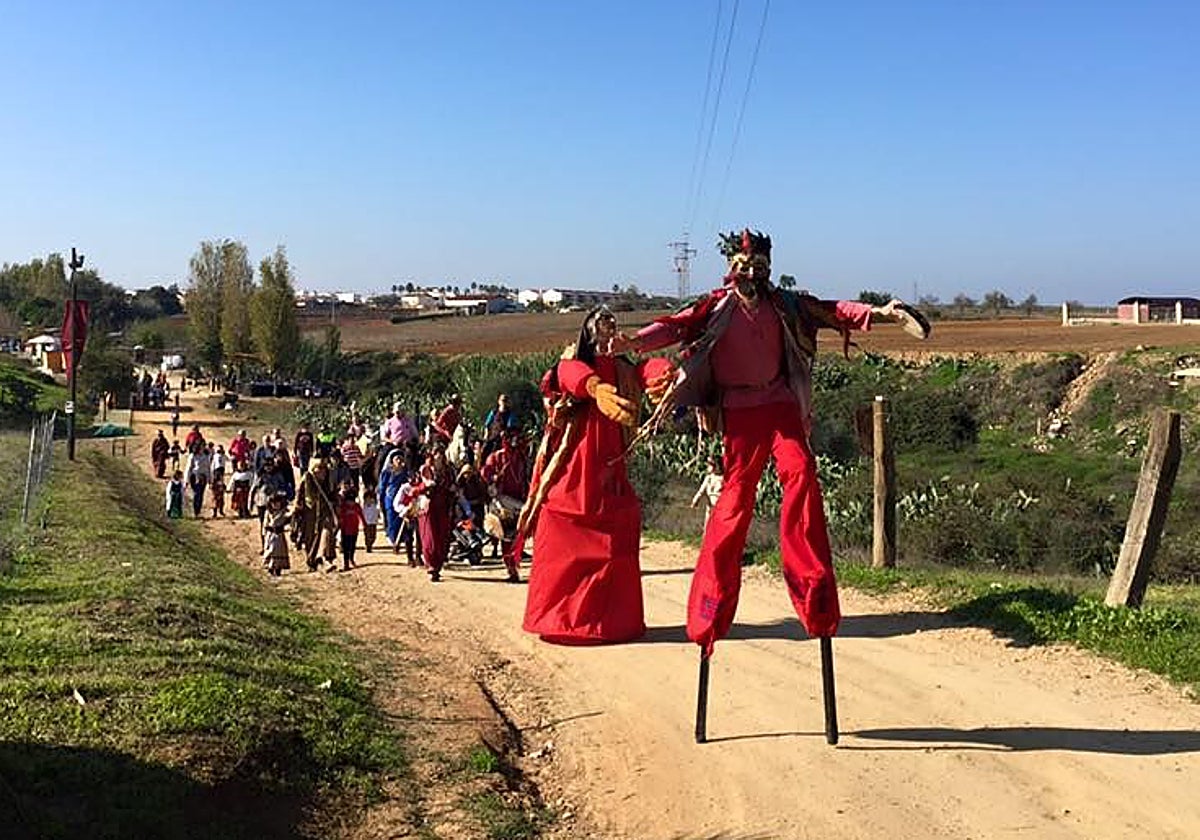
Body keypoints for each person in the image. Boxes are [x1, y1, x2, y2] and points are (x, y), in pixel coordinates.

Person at [624, 227, 930, 658]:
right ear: (732, 268)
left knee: (803, 477)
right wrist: (633, 341)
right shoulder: (714, 306)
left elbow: (833, 311)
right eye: (744, 265)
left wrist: (882, 312)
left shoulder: (786, 304)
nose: (752, 272)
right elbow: (674, 327)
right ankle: (711, 607)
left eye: (759, 266)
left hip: (781, 405)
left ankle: (813, 590)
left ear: (769, 268)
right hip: (739, 414)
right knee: (734, 504)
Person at [519, 307, 672, 642]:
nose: (608, 327)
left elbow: (644, 371)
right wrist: (594, 387)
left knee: (617, 536)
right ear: (589, 328)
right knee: (563, 523)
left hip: (610, 467)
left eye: (612, 323)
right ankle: (562, 620)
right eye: (602, 322)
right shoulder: (574, 359)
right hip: (576, 463)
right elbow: (565, 374)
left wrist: (663, 373)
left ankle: (612, 621)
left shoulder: (621, 366)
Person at [481, 427, 530, 581]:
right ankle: (511, 569)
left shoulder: (522, 458)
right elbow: (485, 471)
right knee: (506, 537)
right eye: (512, 438)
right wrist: (494, 477)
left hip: (518, 501)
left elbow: (524, 478)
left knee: (517, 537)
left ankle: (514, 567)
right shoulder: (497, 457)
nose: (515, 441)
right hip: (503, 501)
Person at [414, 447, 455, 582]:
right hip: (428, 508)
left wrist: (453, 490)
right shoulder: (425, 470)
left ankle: (438, 565)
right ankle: (431, 565)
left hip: (443, 507)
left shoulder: (448, 471)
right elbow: (416, 487)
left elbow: (453, 486)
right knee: (429, 537)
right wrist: (425, 486)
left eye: (442, 454)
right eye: (437, 454)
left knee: (442, 537)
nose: (439, 457)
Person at [336, 481, 366, 571]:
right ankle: (346, 563)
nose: (351, 503)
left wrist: (364, 524)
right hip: (345, 530)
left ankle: (351, 559)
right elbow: (340, 517)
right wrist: (340, 525)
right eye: (349, 501)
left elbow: (361, 515)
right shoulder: (343, 507)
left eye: (352, 501)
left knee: (353, 546)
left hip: (354, 530)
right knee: (346, 547)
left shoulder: (356, 506)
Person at [261, 491, 292, 577]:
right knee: (270, 550)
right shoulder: (268, 512)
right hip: (270, 534)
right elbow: (265, 523)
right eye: (273, 503)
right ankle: (270, 567)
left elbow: (289, 515)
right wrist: (264, 532)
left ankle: (278, 568)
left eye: (277, 502)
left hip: (279, 535)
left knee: (279, 551)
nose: (275, 505)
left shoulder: (283, 512)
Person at [690, 456, 724, 525]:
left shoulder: (723, 479)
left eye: (711, 465)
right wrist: (695, 500)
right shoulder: (709, 478)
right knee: (708, 525)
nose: (708, 467)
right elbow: (701, 490)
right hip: (710, 507)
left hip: (720, 507)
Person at [184, 441, 212, 518]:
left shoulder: (206, 456)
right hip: (195, 477)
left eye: (204, 446)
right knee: (197, 494)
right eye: (202, 446)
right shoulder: (193, 456)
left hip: (203, 477)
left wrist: (210, 480)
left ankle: (198, 511)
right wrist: (186, 480)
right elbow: (189, 468)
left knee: (201, 494)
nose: (203, 448)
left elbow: (208, 468)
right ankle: (195, 511)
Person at [361, 484, 380, 553]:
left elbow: (377, 513)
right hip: (366, 523)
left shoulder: (375, 507)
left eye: (371, 499)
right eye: (367, 499)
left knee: (373, 536)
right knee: (367, 535)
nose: (369, 500)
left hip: (373, 522)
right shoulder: (364, 507)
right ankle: (368, 546)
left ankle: (371, 543)